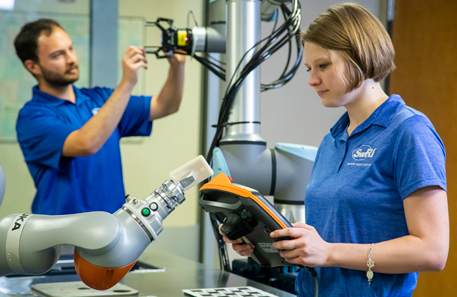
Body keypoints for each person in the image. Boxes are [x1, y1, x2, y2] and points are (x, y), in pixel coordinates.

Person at [222, 3, 449, 296]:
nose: (312, 80)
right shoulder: (333, 138)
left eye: (323, 65)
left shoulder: (409, 131)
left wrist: (328, 253)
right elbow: (329, 241)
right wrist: (265, 244)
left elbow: (432, 251)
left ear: (359, 57)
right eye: (309, 68)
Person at [14, 19, 186, 215]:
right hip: (62, 236)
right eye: (58, 55)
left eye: (70, 49)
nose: (71, 59)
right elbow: (86, 143)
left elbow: (165, 105)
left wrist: (177, 66)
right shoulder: (32, 117)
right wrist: (127, 84)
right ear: (33, 66)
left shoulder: (101, 98)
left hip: (113, 229)